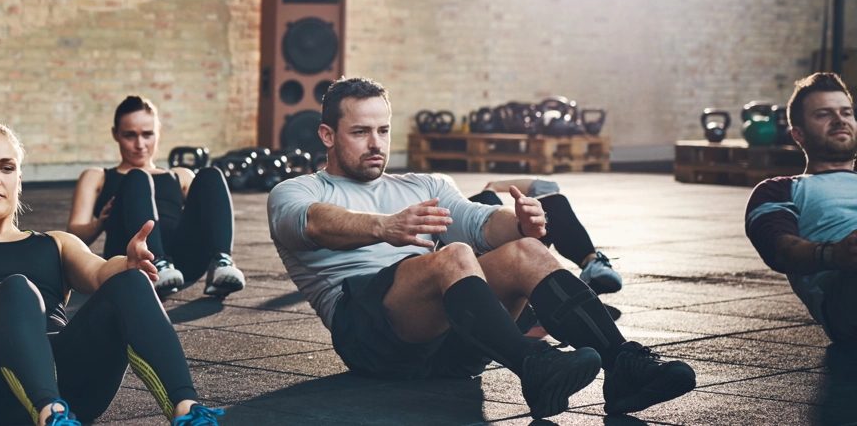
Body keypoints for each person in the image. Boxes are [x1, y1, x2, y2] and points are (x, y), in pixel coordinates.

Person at [266, 78, 695, 419]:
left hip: (454, 344)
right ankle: (532, 366)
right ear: (327, 134)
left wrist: (521, 222)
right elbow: (314, 224)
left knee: (525, 249)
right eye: (360, 132)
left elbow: (480, 222)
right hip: (372, 339)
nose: (376, 143)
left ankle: (622, 366)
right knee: (451, 257)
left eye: (383, 130)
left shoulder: (423, 184)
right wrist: (385, 226)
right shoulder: (295, 191)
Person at [0, 122, 222, 426]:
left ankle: (187, 410)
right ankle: (50, 416)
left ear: (19, 179)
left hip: (73, 386)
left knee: (131, 281)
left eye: (6, 167)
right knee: (17, 288)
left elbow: (99, 273)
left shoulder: (57, 243)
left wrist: (129, 265)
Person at [67, 96, 245, 297]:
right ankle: (158, 262)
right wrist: (100, 223)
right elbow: (73, 236)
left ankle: (221, 261)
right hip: (130, 260)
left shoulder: (180, 175)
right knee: (137, 176)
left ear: (158, 132)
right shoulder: (97, 177)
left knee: (210, 175)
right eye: (130, 135)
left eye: (147, 134)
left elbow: (209, 211)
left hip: (182, 264)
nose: (140, 144)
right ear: (115, 134)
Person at [746, 72, 857, 344]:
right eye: (823, 114)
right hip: (843, 296)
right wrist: (835, 253)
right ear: (798, 134)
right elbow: (778, 249)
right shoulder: (781, 189)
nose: (840, 120)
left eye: (846, 112)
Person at [468, 178, 622, 294]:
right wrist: (488, 192)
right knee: (486, 201)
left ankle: (592, 264)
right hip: (486, 257)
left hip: (524, 248)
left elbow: (546, 185)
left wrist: (494, 185)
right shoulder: (448, 191)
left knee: (555, 202)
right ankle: (512, 295)